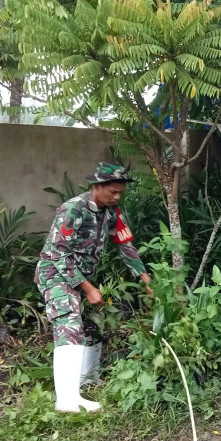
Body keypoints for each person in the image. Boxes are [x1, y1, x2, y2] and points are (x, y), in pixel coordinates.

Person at [35, 163, 153, 413]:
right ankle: (66, 401)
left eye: (120, 192)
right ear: (97, 186)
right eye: (113, 191)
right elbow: (58, 254)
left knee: (90, 328)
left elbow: (126, 245)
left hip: (78, 278)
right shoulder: (73, 209)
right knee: (69, 325)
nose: (117, 197)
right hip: (55, 274)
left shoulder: (111, 213)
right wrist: (89, 289)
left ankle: (85, 382)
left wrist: (146, 280)